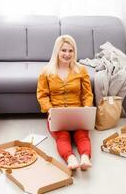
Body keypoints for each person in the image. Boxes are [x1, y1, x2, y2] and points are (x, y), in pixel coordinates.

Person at [37, 35, 93, 170]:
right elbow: (42, 95)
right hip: (56, 114)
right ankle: (70, 158)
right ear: (57, 51)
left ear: (74, 52)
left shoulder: (81, 70)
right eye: (63, 50)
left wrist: (86, 108)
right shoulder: (46, 72)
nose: (67, 54)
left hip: (78, 112)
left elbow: (87, 93)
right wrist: (50, 110)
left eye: (70, 51)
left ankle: (85, 157)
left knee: (82, 136)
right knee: (62, 137)